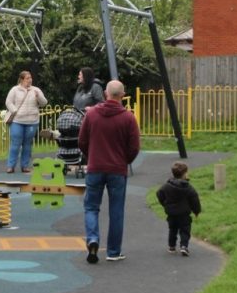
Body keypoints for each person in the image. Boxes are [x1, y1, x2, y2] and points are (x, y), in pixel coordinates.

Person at [78, 79, 141, 264]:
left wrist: (92, 156)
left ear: (106, 93)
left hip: (95, 167)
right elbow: (134, 147)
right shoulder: (128, 118)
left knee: (91, 207)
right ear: (122, 95)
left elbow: (82, 141)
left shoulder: (92, 115)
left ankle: (92, 239)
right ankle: (113, 251)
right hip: (117, 170)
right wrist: (124, 161)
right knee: (116, 210)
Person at [3, 71, 48, 174]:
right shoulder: (15, 90)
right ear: (22, 79)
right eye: (27, 78)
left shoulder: (35, 90)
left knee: (27, 144)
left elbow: (44, 103)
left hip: (32, 121)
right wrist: (14, 110)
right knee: (16, 143)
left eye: (30, 77)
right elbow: (8, 102)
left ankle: (25, 166)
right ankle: (11, 166)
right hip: (17, 121)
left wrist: (38, 97)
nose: (30, 80)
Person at [156, 161, 200, 256]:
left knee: (172, 229)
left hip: (171, 213)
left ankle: (172, 247)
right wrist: (196, 211)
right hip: (184, 214)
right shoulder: (188, 187)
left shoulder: (166, 186)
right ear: (184, 174)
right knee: (185, 230)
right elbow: (194, 200)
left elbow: (159, 193)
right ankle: (184, 246)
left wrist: (165, 204)